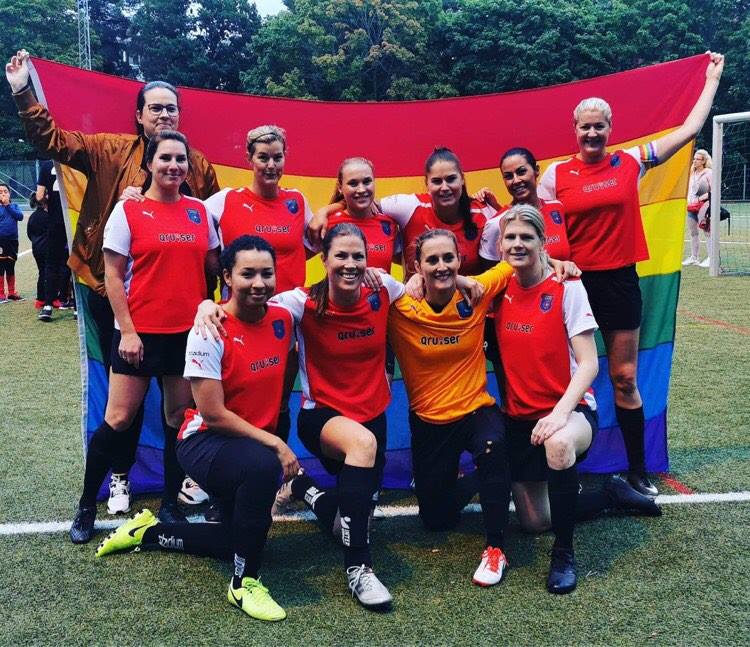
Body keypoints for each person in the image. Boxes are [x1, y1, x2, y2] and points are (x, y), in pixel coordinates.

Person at [5, 49, 220, 512]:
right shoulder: (108, 150)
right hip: (113, 295)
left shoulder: (198, 166)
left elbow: (215, 240)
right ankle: (117, 477)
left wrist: (214, 298)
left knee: (177, 411)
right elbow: (53, 142)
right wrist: (24, 93)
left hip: (182, 312)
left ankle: (173, 492)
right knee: (122, 408)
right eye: (155, 108)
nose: (164, 115)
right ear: (139, 115)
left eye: (171, 108)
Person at [538, 52, 725, 496]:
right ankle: (555, 462)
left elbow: (688, 131)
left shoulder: (630, 162)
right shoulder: (555, 174)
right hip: (573, 287)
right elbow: (541, 230)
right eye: (585, 126)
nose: (592, 133)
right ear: (575, 129)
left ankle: (637, 469)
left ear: (610, 129)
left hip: (620, 282)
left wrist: (711, 80)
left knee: (623, 377)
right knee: (559, 377)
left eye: (599, 126)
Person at [197, 223, 404, 610]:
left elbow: (422, 289)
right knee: (362, 447)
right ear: (323, 259)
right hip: (323, 417)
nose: (350, 263)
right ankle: (359, 570)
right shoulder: (301, 302)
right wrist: (206, 305)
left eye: (358, 256)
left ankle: (302, 488)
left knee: (348, 524)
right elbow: (248, 305)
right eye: (340, 255)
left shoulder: (384, 289)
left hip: (373, 417)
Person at [95, 235, 297, 622]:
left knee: (239, 538)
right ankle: (243, 584)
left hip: (248, 443)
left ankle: (148, 533)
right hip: (204, 440)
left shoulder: (284, 317)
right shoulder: (208, 331)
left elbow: (334, 285)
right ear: (227, 276)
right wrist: (275, 443)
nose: (259, 283)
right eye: (247, 274)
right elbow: (214, 414)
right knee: (262, 467)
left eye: (267, 274)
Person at [493, 204, 659, 595]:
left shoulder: (567, 287)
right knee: (534, 522)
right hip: (519, 418)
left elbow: (588, 364)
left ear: (542, 242)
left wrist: (559, 414)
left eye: (526, 237)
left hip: (571, 411)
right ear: (500, 246)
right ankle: (609, 494)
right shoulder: (497, 290)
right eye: (510, 237)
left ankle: (564, 555)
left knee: (559, 443)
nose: (517, 244)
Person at [69, 131, 220, 544]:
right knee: (118, 420)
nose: (174, 165)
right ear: (149, 163)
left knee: (177, 419)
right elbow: (112, 276)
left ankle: (170, 503)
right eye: (165, 158)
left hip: (186, 336)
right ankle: (86, 503)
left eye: (180, 159)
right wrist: (128, 331)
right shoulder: (128, 210)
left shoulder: (199, 211)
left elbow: (213, 265)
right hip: (138, 336)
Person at [387, 228, 516, 587]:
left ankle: (496, 548)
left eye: (449, 258)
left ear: (460, 259)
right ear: (417, 266)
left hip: (476, 410)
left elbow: (511, 264)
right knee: (436, 519)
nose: (441, 265)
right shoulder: (399, 305)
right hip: (430, 422)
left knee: (492, 446)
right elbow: (366, 281)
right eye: (432, 260)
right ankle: (479, 479)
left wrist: (559, 262)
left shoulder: (476, 292)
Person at [203, 125, 314, 446]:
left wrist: (335, 208)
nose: (271, 165)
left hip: (284, 324)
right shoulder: (225, 201)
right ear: (249, 158)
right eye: (263, 157)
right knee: (235, 399)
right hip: (237, 322)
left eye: (277, 157)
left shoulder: (297, 201)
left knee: (278, 401)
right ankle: (231, 465)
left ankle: (279, 465)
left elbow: (319, 238)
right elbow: (184, 215)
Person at [310, 147, 492, 278]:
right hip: (415, 314)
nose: (444, 187)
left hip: (470, 315)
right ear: (427, 183)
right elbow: (363, 201)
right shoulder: (409, 206)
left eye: (451, 179)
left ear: (462, 179)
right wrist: (324, 212)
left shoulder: (485, 213)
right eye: (437, 181)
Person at [475, 147, 570, 266]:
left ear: (536, 170)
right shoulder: (496, 224)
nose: (516, 180)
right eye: (508, 176)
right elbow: (490, 271)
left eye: (521, 172)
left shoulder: (557, 208)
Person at [35, 159, 67, 321]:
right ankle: (76, 306)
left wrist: (48, 205)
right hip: (73, 218)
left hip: (55, 221)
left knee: (51, 264)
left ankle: (47, 306)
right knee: (75, 262)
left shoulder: (47, 165)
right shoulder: (75, 161)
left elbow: (40, 195)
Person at [682, 149, 712, 268]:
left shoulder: (708, 172)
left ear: (703, 161)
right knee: (693, 232)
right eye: (694, 158)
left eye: (697, 159)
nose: (694, 161)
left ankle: (711, 258)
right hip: (691, 206)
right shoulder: (691, 172)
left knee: (707, 232)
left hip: (704, 206)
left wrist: (700, 199)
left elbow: (713, 190)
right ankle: (694, 258)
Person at [0, 182, 23, 303]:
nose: (3, 194)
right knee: (1, 266)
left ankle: (12, 292)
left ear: (9, 194)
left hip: (13, 241)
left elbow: (20, 217)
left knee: (11, 266)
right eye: (0, 192)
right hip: (1, 241)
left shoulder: (14, 206)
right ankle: (1, 294)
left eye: (5, 191)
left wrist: (7, 205)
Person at [27, 192, 48, 307]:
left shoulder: (32, 217)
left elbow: (29, 234)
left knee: (42, 272)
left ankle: (40, 299)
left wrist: (36, 242)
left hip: (36, 248)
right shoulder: (47, 216)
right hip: (47, 248)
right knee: (48, 272)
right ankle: (50, 298)